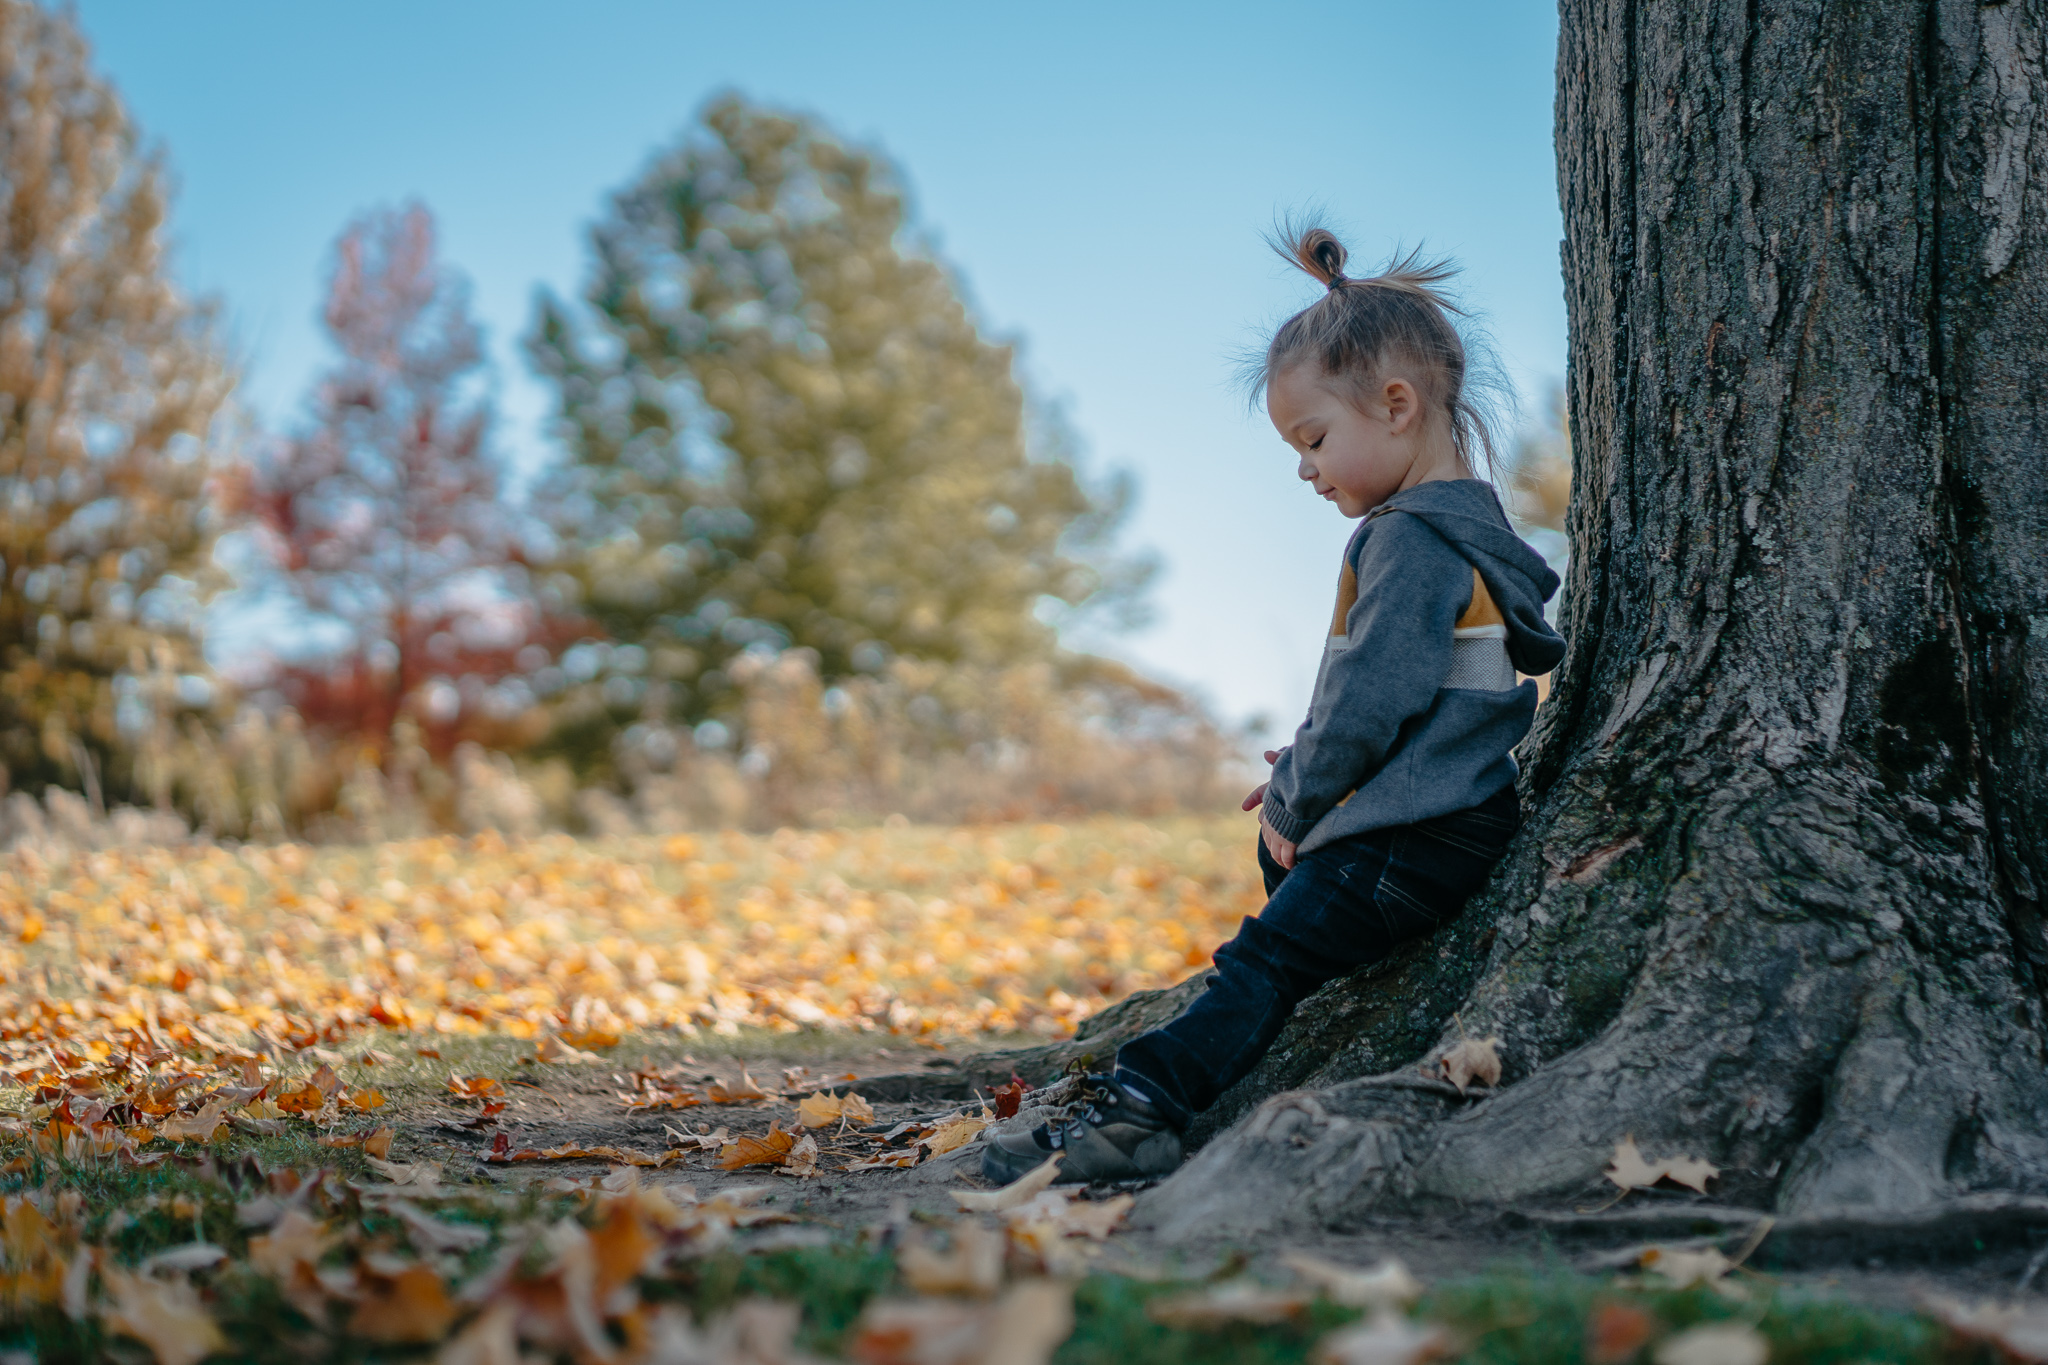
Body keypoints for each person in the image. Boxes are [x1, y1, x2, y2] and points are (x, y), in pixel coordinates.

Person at [982, 225, 1568, 1186]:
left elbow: (1366, 701)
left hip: (1416, 832)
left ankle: (1138, 1114)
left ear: (1396, 405)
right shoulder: (1474, 532)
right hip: (1452, 819)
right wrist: (1309, 780)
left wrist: (1302, 793)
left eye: (1314, 439)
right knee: (1284, 939)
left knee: (1260, 965)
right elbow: (1405, 699)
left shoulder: (1409, 540)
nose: (1305, 469)